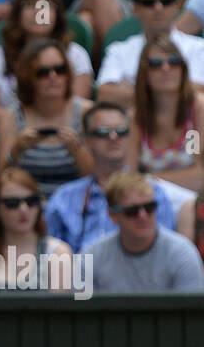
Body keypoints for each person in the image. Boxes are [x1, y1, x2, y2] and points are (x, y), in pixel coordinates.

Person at [44, 101, 178, 251]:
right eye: (102, 132)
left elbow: (164, 252)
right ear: (87, 140)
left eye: (121, 131)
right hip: (80, 272)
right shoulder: (64, 197)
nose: (113, 137)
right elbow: (49, 254)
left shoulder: (152, 193)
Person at [0, 0, 92, 130]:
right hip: (9, 134)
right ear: (18, 14)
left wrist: (40, 125)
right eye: (31, 5)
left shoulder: (76, 54)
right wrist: (27, 123)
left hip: (64, 133)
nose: (39, 12)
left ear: (57, 15)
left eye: (46, 6)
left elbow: (77, 109)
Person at [96, 0, 204, 109]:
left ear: (176, 6)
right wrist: (174, 90)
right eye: (149, 2)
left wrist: (133, 88)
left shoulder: (199, 48)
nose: (158, 7)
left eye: (165, 1)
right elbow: (104, 95)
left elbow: (198, 94)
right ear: (135, 9)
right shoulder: (118, 50)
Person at [0, 38, 92, 197]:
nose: (53, 76)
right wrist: (16, 150)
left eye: (60, 69)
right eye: (42, 72)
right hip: (26, 207)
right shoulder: (11, 117)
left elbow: (98, 178)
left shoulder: (85, 113)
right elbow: (0, 179)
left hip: (76, 204)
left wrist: (77, 151)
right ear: (28, 77)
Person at [0, 165, 72, 291]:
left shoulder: (57, 252)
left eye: (31, 201)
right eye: (12, 203)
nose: (23, 209)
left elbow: (59, 309)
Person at [86, 172, 204, 289]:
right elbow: (79, 305)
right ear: (112, 215)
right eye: (132, 211)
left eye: (149, 208)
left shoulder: (182, 253)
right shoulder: (91, 257)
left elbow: (191, 307)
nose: (143, 215)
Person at [127, 38, 204, 194]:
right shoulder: (135, 117)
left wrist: (149, 180)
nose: (166, 68)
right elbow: (129, 178)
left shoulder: (197, 110)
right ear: (144, 74)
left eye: (174, 61)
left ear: (183, 69)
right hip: (151, 205)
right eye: (155, 63)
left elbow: (199, 176)